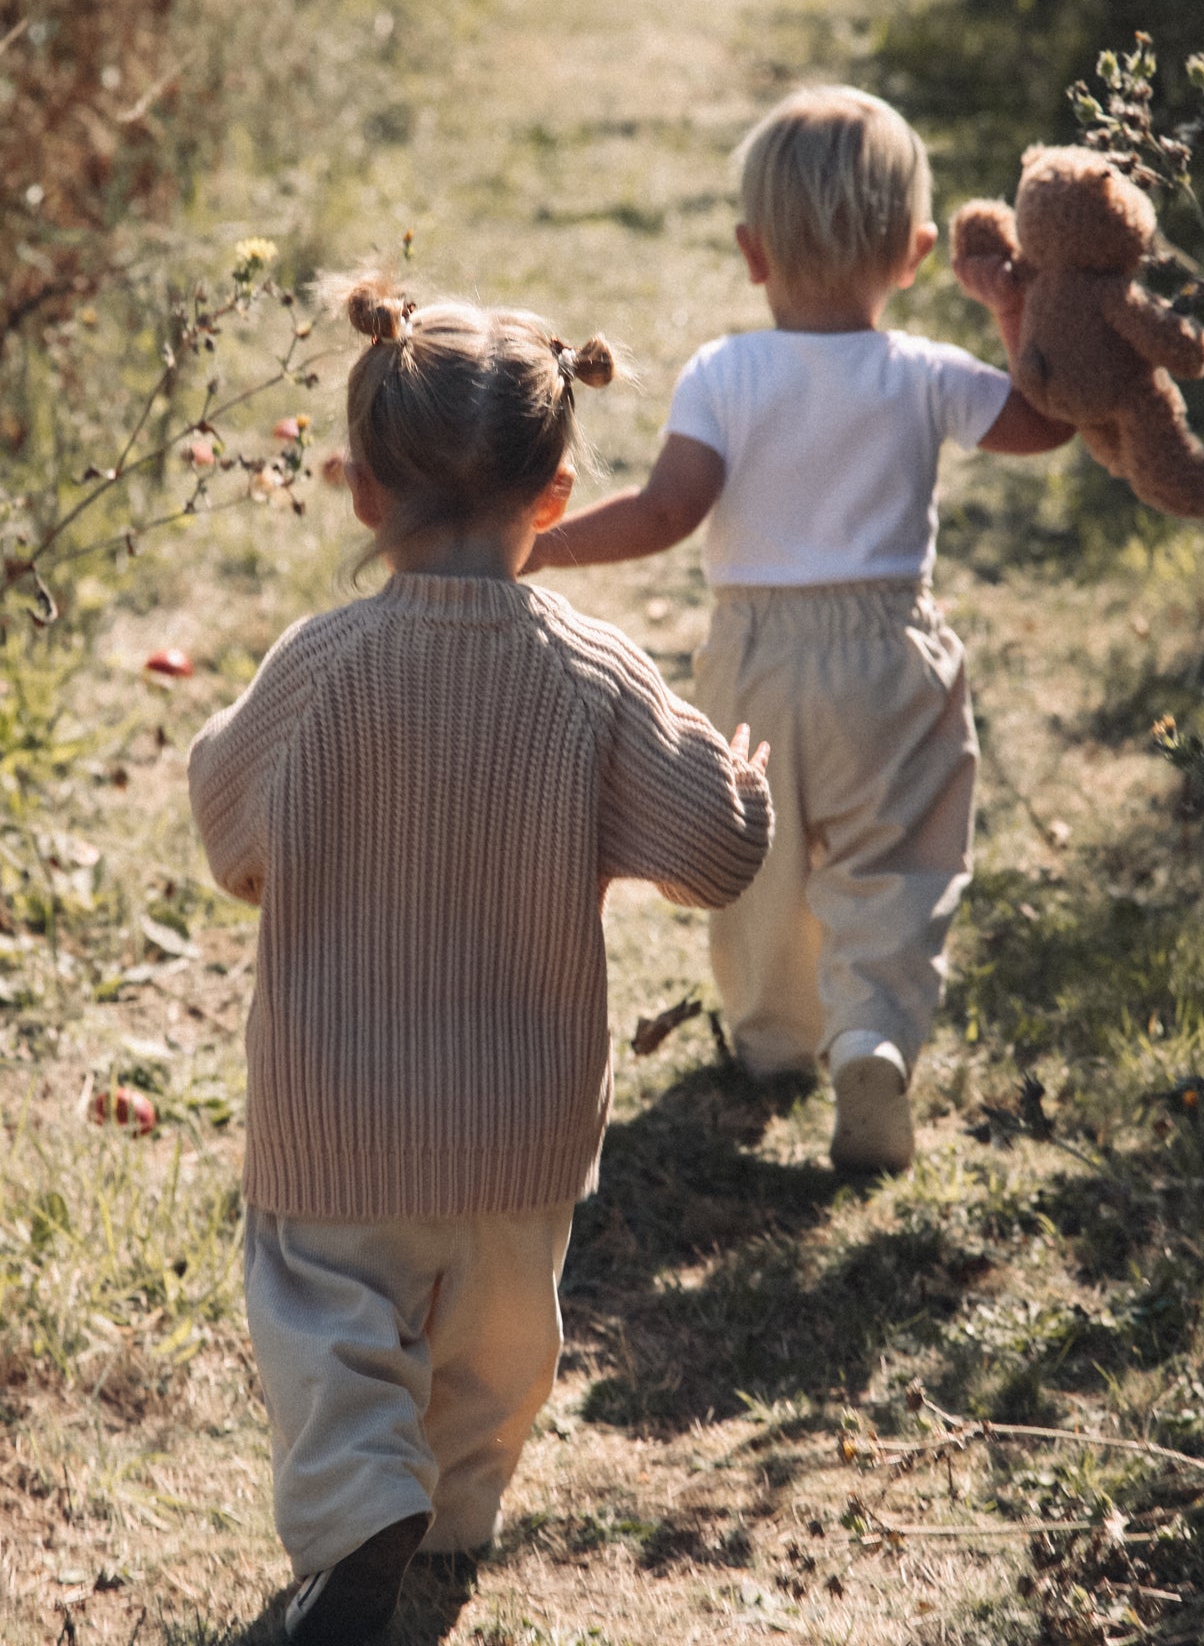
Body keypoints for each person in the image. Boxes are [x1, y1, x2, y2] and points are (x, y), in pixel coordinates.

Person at [188, 285, 772, 1645]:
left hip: (333, 1118)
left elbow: (229, 831)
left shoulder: (319, 665)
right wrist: (735, 785)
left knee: (332, 1331)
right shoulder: (594, 672)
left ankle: (362, 1515)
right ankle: (442, 1522)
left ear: (361, 490)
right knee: (497, 1352)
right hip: (519, 1131)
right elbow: (716, 858)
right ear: (556, 497)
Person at [527, 84, 1073, 1178]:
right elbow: (1043, 419)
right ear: (916, 252)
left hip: (753, 657)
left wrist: (536, 546)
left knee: (759, 857)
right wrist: (1013, 312)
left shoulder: (725, 373)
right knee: (898, 857)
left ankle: (775, 1038)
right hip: (889, 655)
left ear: (749, 252)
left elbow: (666, 512)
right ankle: (871, 1030)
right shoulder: (923, 371)